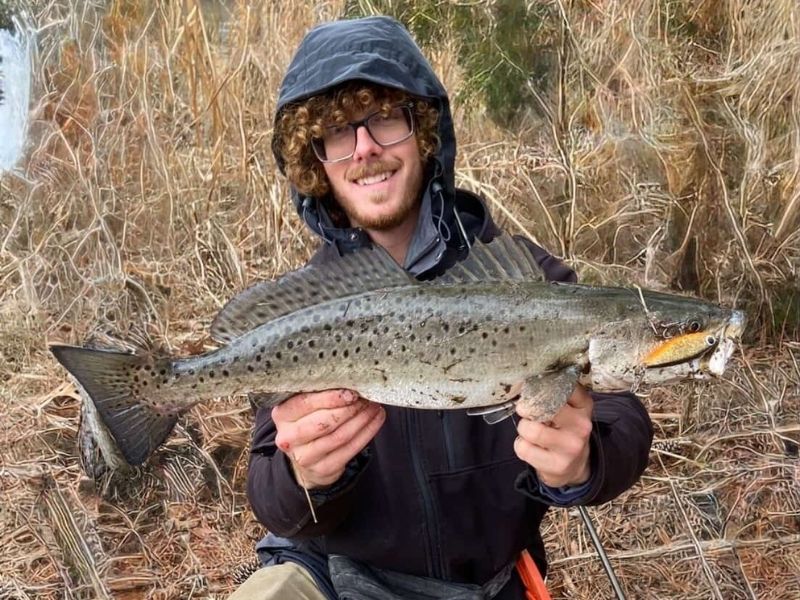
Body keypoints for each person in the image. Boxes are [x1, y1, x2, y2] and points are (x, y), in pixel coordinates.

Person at [230, 15, 653, 600]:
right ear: (316, 163)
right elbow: (270, 496)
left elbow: (621, 415)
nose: (366, 149)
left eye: (385, 119)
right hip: (339, 577)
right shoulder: (303, 317)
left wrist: (584, 462)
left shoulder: (528, 282)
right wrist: (307, 476)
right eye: (336, 133)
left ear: (424, 131)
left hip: (485, 582)